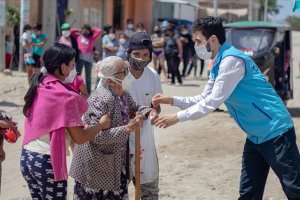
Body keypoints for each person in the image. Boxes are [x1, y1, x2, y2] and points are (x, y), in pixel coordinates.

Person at [152, 16, 300, 199]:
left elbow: (212, 102)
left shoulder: (231, 61)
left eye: (198, 40)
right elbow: (203, 97)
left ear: (212, 39)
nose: (196, 45)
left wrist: (177, 117)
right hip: (255, 136)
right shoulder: (218, 62)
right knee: (248, 193)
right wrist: (171, 99)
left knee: (294, 189)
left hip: (276, 131)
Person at [20, 43, 111, 200]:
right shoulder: (66, 97)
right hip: (46, 162)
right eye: (73, 65)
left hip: (28, 158)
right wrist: (101, 125)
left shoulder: (40, 84)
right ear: (63, 68)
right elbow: (80, 137)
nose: (74, 70)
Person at [70, 56, 151, 199]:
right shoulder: (102, 98)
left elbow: (135, 107)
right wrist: (127, 128)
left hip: (115, 162)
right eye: (124, 71)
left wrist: (149, 111)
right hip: (96, 168)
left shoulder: (123, 93)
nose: (128, 73)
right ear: (109, 80)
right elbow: (95, 135)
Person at [126, 32, 162, 200]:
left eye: (146, 55)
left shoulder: (152, 75)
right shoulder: (118, 73)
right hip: (121, 138)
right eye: (137, 54)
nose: (141, 58)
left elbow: (157, 106)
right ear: (128, 53)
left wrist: (154, 113)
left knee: (148, 187)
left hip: (145, 137)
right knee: (118, 188)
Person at [71, 24, 101, 94]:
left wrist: (91, 29)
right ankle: (76, 88)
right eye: (84, 30)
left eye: (87, 30)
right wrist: (79, 30)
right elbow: (71, 31)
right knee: (78, 74)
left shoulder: (92, 37)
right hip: (80, 58)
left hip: (89, 59)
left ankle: (88, 91)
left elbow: (99, 31)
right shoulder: (78, 36)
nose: (85, 31)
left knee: (88, 76)